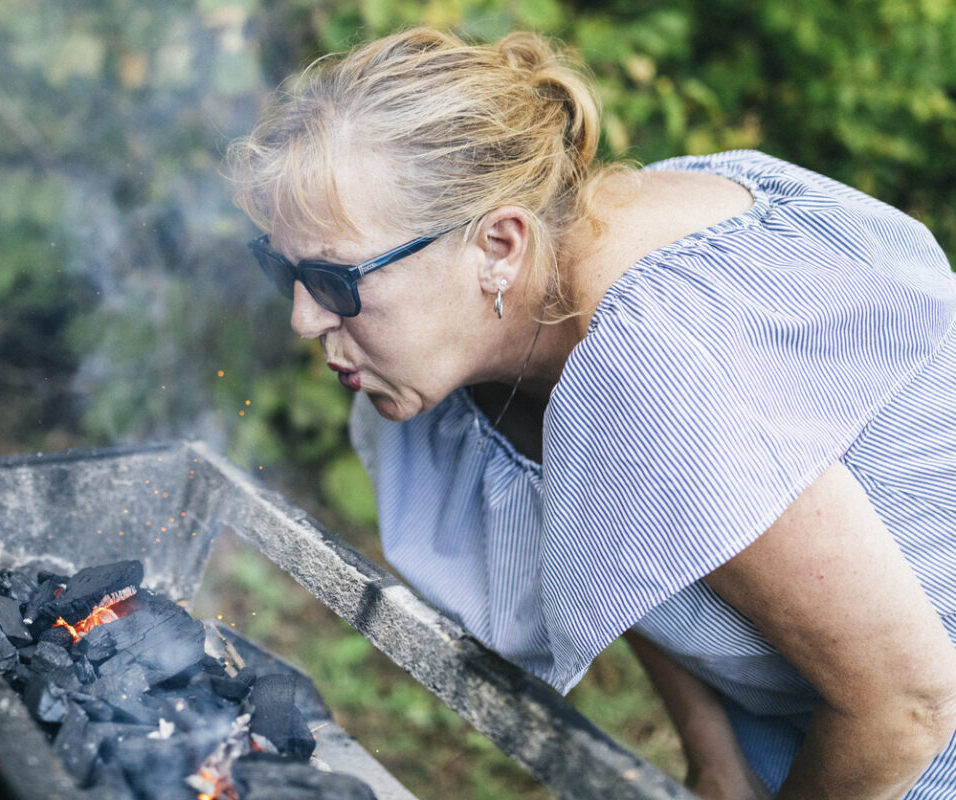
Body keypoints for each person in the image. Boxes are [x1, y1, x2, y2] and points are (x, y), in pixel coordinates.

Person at [227, 27, 956, 800]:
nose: (303, 318)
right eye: (282, 269)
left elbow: (908, 706)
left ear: (498, 247)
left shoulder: (656, 356)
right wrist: (716, 761)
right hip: (813, 714)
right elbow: (632, 540)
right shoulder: (525, 303)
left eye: (335, 280)